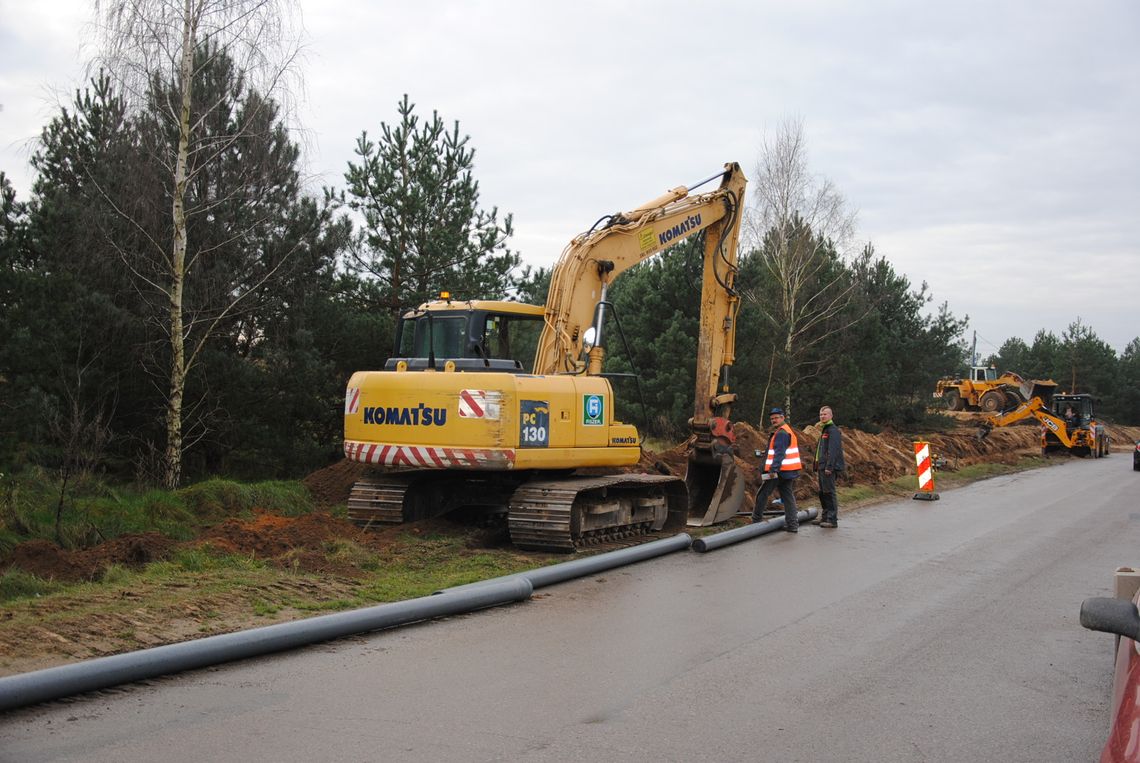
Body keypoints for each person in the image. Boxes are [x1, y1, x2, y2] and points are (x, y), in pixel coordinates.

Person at [751, 407, 802, 532]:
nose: (773, 420)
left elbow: (780, 454)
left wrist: (773, 470)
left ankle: (756, 520)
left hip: (778, 471)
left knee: (762, 494)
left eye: (776, 418)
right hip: (788, 471)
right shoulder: (786, 431)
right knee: (788, 497)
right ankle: (792, 525)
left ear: (782, 417)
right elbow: (779, 451)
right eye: (772, 418)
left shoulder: (781, 433)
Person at [815, 405, 846, 528]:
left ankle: (832, 520)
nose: (822, 416)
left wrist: (829, 467)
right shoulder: (825, 429)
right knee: (822, 493)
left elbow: (833, 450)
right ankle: (825, 516)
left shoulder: (833, 430)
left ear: (831, 416)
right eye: (821, 414)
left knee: (829, 492)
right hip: (822, 466)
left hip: (828, 467)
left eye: (825, 414)